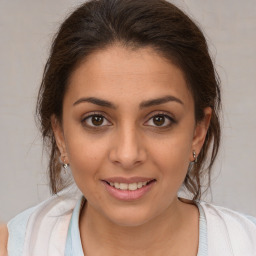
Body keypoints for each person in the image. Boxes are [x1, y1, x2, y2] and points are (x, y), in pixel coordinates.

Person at [1, 0, 256, 255]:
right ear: (60, 135)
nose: (127, 155)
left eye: (159, 119)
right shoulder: (13, 248)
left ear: (198, 133)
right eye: (96, 120)